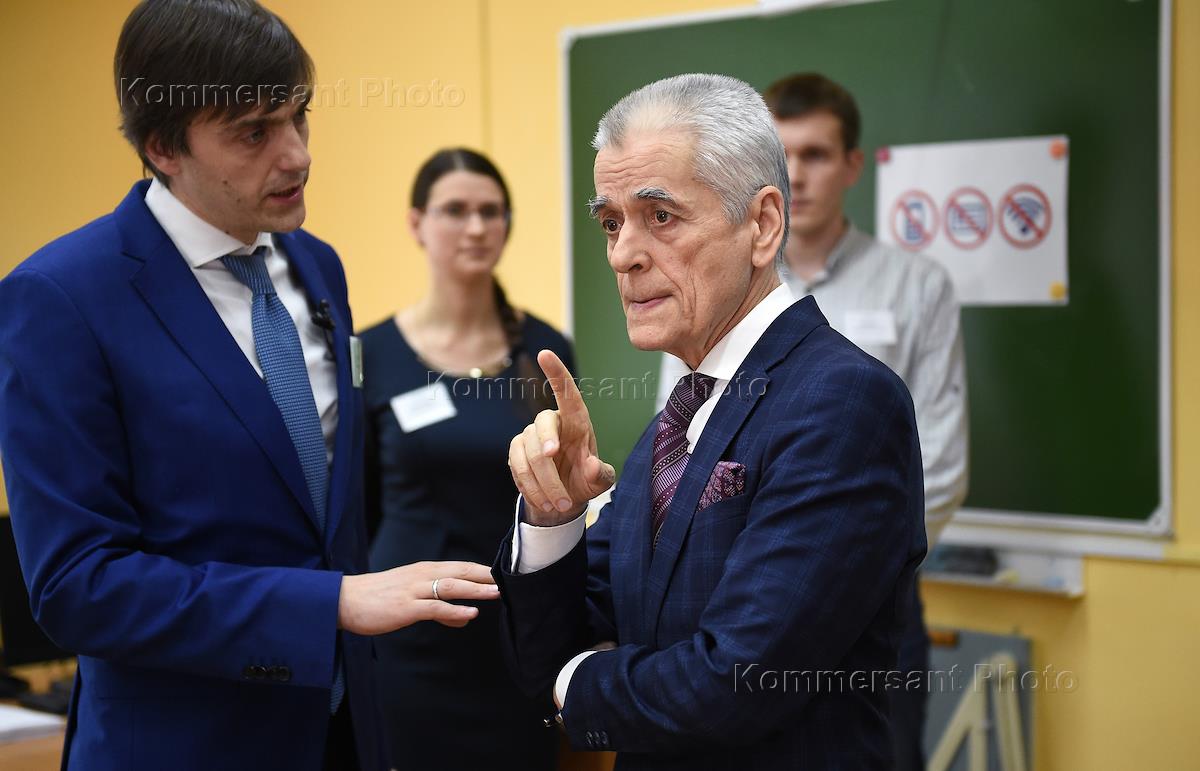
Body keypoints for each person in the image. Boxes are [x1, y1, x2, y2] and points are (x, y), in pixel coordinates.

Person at [0, 2, 497, 769]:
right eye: (254, 132)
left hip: (344, 733)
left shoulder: (317, 264)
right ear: (164, 146)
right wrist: (331, 604)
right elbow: (78, 586)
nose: (297, 155)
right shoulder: (62, 298)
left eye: (300, 116)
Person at [494, 73, 927, 769]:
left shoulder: (844, 401)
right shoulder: (680, 413)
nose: (623, 254)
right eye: (611, 222)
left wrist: (571, 686)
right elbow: (554, 642)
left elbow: (734, 682)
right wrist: (554, 518)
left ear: (763, 224)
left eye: (661, 216)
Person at [659, 73, 969, 768]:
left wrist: (833, 561)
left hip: (872, 610)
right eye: (781, 154)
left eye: (817, 154)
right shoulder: (707, 286)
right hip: (726, 609)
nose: (796, 173)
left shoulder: (917, 285)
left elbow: (942, 463)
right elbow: (677, 444)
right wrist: (758, 570)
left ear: (853, 164)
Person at [359, 148, 569, 770]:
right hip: (409, 641)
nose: (476, 227)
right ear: (416, 223)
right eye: (455, 211)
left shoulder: (545, 349)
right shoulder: (370, 353)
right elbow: (356, 508)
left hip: (516, 638)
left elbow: (563, 499)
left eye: (491, 211)